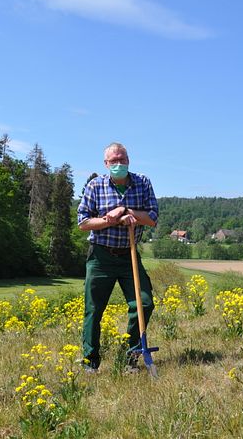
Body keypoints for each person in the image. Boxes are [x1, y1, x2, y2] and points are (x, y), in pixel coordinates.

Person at [77, 142, 159, 372]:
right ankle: (90, 361)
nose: (118, 164)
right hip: (100, 256)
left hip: (129, 255)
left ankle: (130, 356)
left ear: (129, 160)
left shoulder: (142, 182)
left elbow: (152, 217)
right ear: (106, 164)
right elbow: (83, 222)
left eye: (122, 160)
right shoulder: (95, 185)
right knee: (93, 309)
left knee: (144, 303)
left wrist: (126, 212)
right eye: (114, 161)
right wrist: (109, 220)